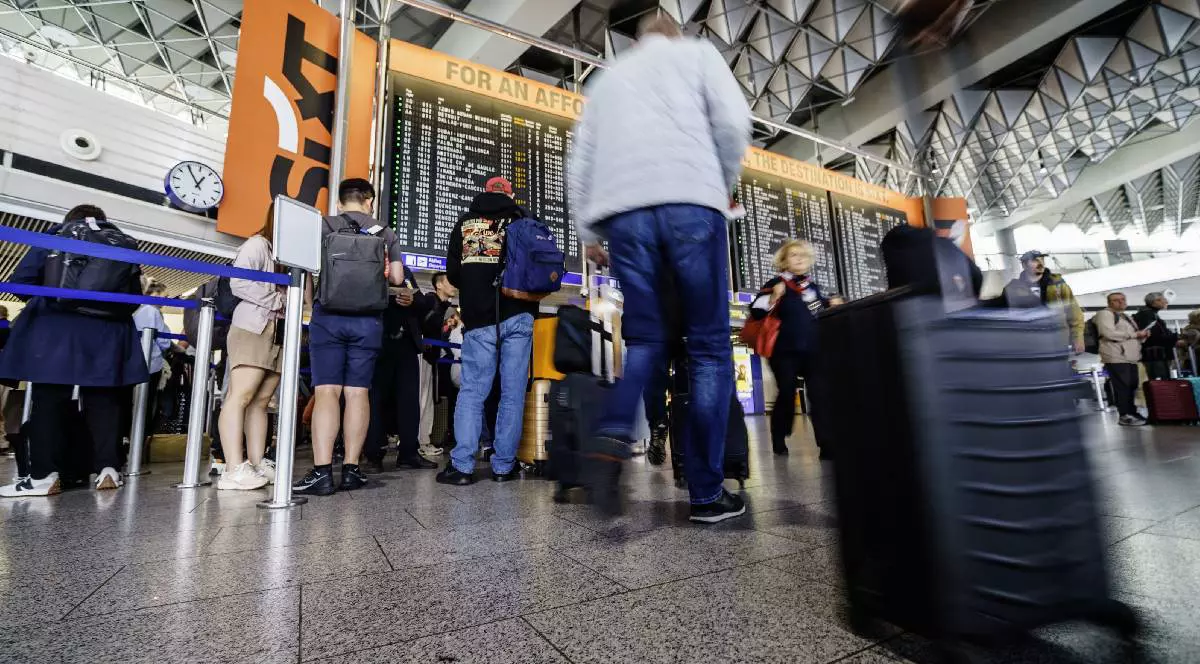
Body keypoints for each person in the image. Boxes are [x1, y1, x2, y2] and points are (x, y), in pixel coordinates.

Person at [567, 13, 751, 522]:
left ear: (636, 38)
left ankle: (609, 437)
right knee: (710, 350)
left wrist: (587, 234)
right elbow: (734, 124)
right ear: (675, 31)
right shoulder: (697, 55)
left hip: (626, 217)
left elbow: (579, 159)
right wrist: (723, 182)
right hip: (693, 203)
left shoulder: (609, 77)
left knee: (646, 340)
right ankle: (708, 494)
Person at [0, 205, 148, 497]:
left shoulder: (56, 236)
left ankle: (43, 476)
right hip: (107, 334)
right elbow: (133, 298)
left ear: (70, 220)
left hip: (57, 331)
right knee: (104, 400)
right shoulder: (120, 243)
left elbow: (21, 283)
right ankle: (108, 469)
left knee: (49, 400)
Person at [294, 178, 405, 496]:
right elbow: (396, 277)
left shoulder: (323, 226)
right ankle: (353, 469)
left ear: (340, 202)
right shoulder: (384, 231)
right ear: (369, 200)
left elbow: (306, 274)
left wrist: (309, 304)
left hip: (328, 318)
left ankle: (322, 473)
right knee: (358, 393)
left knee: (327, 391)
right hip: (368, 321)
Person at [436, 176, 538, 486]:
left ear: (484, 192)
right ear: (510, 194)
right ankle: (504, 466)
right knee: (512, 393)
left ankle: (463, 467)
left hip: (479, 318)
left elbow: (452, 273)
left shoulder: (466, 223)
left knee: (472, 391)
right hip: (519, 314)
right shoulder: (523, 220)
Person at [216, 208, 285, 491]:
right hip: (253, 326)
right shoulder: (258, 244)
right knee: (240, 396)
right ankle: (233, 467)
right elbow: (239, 281)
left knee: (261, 401)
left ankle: (257, 463)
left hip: (277, 330)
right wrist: (276, 300)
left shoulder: (286, 257)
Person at [751, 240, 831, 459]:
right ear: (784, 261)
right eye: (794, 255)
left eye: (803, 256)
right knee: (787, 392)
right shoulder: (776, 283)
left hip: (813, 351)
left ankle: (826, 444)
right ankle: (779, 435)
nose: (799, 259)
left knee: (820, 395)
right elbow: (756, 311)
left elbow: (819, 309)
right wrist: (775, 296)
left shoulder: (811, 288)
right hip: (783, 352)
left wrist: (831, 303)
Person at [363, 265, 438, 473]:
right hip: (379, 343)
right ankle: (373, 455)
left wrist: (412, 300)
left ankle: (409, 453)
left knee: (410, 402)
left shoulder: (405, 273)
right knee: (376, 400)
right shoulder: (369, 269)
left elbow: (423, 302)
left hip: (406, 345)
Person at [1002, 251, 1085, 353]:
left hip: (1057, 342)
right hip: (1027, 344)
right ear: (1024, 265)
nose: (1040, 263)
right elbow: (1006, 319)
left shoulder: (1058, 285)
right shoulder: (1012, 289)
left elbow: (1074, 314)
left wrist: (1077, 338)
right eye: (1035, 260)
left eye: (1042, 259)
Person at [131, 277, 173, 452]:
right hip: (151, 365)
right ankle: (138, 448)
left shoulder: (133, 309)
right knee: (145, 407)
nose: (162, 303)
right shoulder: (152, 312)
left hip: (130, 363)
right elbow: (165, 342)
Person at [1095, 292, 1149, 426]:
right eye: (1116, 300)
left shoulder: (1125, 316)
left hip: (1130, 356)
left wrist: (1141, 335)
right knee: (1123, 386)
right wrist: (1134, 334)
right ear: (1109, 303)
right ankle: (1125, 415)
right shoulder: (1105, 314)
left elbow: (1131, 335)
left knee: (1131, 385)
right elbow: (1107, 333)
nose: (1121, 302)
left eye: (1123, 299)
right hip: (1116, 355)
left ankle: (1132, 412)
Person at [418, 271, 457, 456]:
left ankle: (423, 440)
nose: (454, 285)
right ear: (438, 285)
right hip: (423, 357)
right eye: (449, 281)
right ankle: (420, 442)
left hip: (430, 357)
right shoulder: (429, 301)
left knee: (427, 400)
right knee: (422, 400)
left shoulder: (441, 306)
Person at [1133, 292, 1182, 381]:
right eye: (1164, 300)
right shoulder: (1148, 315)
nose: (1166, 302)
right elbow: (1155, 336)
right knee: (1160, 383)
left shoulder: (1149, 314)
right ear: (1155, 302)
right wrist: (1176, 337)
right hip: (1155, 356)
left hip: (1155, 355)